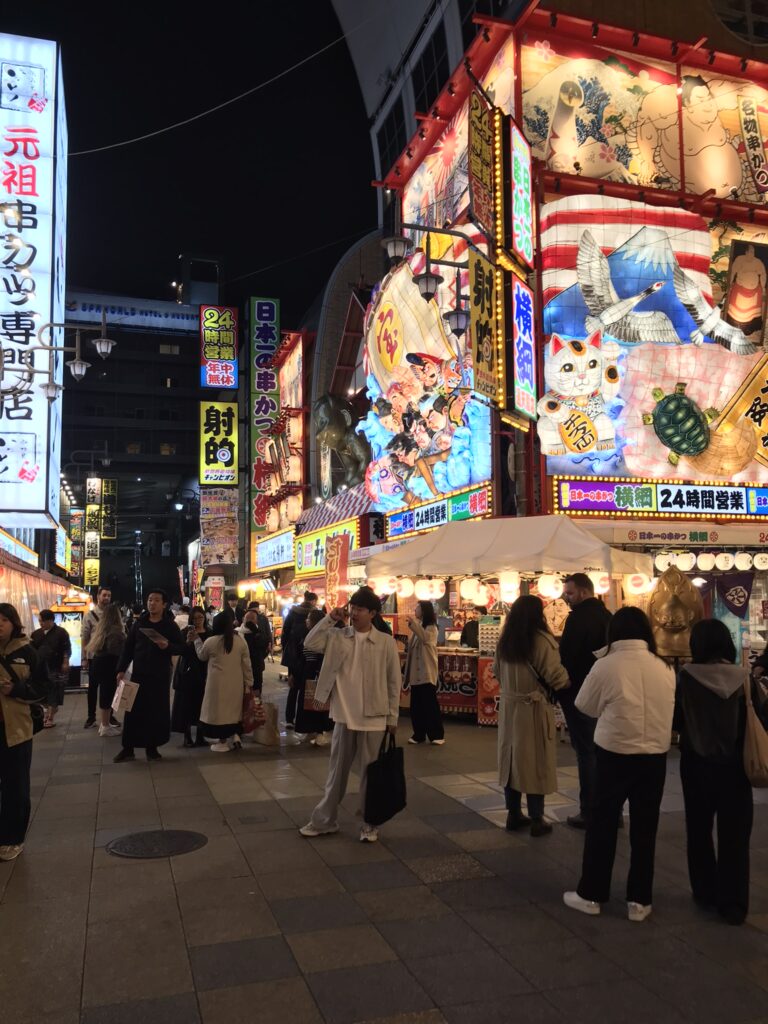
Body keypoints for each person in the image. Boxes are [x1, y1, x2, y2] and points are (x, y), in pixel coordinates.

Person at [563, 607, 675, 922]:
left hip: (613, 753)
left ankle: (592, 894)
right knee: (645, 826)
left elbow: (584, 704)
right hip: (654, 755)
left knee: (602, 824)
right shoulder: (663, 666)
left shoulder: (606, 665)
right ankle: (639, 901)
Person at [675, 619, 765, 925]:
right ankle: (734, 904)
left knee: (698, 830)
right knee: (735, 836)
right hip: (735, 768)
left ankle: (704, 890)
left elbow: (675, 721)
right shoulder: (744, 680)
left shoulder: (684, 678)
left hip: (696, 764)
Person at [299, 588, 402, 843]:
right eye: (352, 608)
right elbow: (309, 643)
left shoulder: (385, 642)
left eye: (360, 609)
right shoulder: (338, 636)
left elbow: (393, 681)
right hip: (344, 714)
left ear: (373, 613)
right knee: (337, 773)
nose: (354, 613)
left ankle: (369, 823)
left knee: (371, 774)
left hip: (375, 716)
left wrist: (392, 718)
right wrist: (330, 618)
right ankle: (324, 820)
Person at [494, 595, 569, 837]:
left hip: (509, 709)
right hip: (534, 709)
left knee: (511, 761)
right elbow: (557, 677)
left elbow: (496, 672)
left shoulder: (505, 642)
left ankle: (513, 813)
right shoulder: (541, 641)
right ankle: (537, 817)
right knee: (536, 762)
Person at [558, 573, 612, 828]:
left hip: (580, 693)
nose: (565, 598)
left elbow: (567, 657)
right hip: (607, 694)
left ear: (582, 592)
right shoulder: (607, 616)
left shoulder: (578, 619)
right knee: (603, 752)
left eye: (569, 593)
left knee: (586, 752)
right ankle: (609, 809)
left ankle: (589, 810)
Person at [113, 589, 185, 763]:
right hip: (138, 674)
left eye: (156, 600)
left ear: (164, 604)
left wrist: (167, 646)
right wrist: (121, 669)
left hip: (159, 676)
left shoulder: (169, 625)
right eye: (150, 600)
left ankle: (152, 748)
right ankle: (128, 748)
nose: (152, 603)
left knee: (156, 712)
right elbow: (128, 648)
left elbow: (181, 648)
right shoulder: (139, 624)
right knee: (132, 712)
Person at [0, 603, 46, 862]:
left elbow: (42, 687)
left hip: (17, 729)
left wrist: (16, 690)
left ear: (13, 623)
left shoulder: (27, 651)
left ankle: (12, 838)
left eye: (4, 620)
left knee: (15, 786)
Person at [195, 612, 253, 752]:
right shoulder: (240, 641)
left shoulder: (212, 641)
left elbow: (202, 656)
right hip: (236, 683)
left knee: (219, 713)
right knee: (234, 712)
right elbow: (246, 665)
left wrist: (196, 640)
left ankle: (222, 742)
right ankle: (236, 736)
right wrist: (249, 683)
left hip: (217, 684)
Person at [405, 600, 444, 745]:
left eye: (418, 608)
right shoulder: (419, 627)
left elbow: (426, 638)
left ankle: (437, 734)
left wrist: (413, 625)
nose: (415, 610)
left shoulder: (431, 628)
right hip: (416, 675)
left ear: (424, 610)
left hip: (426, 673)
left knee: (429, 705)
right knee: (416, 706)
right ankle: (418, 734)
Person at [171, 607, 211, 747]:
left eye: (200, 617)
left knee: (202, 704)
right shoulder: (184, 633)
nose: (198, 620)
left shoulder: (209, 633)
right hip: (188, 672)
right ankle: (187, 736)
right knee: (186, 704)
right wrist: (188, 642)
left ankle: (200, 735)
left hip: (204, 671)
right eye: (195, 618)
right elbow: (180, 651)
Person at [294, 607, 334, 746]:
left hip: (317, 673)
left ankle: (320, 732)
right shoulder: (309, 634)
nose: (306, 621)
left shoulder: (325, 635)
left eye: (309, 619)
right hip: (306, 673)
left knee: (317, 704)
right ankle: (308, 730)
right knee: (305, 703)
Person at [86, 604, 125, 737]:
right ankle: (105, 725)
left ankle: (105, 724)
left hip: (99, 663)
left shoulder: (102, 629)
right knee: (107, 695)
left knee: (104, 693)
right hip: (110, 665)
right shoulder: (116, 631)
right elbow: (115, 650)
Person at [281, 592, 318, 729]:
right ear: (314, 601)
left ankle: (289, 719)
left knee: (293, 687)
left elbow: (285, 632)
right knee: (307, 689)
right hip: (310, 657)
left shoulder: (293, 612)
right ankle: (304, 720)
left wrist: (286, 649)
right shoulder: (316, 614)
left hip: (294, 654)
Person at [30, 610, 71, 728]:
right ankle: (50, 711)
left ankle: (50, 717)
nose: (41, 623)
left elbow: (67, 648)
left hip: (56, 666)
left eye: (42, 621)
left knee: (55, 690)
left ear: (50, 620)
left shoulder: (61, 633)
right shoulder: (36, 634)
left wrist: (65, 661)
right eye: (39, 621)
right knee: (44, 692)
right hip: (40, 667)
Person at [81, 586, 113, 728]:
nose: (106, 598)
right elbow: (85, 637)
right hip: (94, 656)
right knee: (93, 687)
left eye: (109, 596)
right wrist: (84, 657)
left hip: (110, 656)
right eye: (104, 595)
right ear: (98, 596)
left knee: (110, 688)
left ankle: (109, 717)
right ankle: (91, 716)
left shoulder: (113, 614)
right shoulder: (90, 615)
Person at [239, 608, 270, 695]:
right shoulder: (237, 632)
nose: (249, 620)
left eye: (252, 618)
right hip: (241, 668)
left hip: (256, 668)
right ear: (243, 619)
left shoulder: (260, 633)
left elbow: (265, 647)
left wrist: (256, 632)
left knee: (256, 695)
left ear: (256, 621)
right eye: (247, 618)